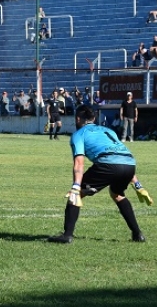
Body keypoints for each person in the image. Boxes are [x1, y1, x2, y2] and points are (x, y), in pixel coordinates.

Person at [47, 104, 151, 244]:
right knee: (117, 193)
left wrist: (76, 186)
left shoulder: (79, 134)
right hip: (130, 164)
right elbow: (121, 156)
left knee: (75, 195)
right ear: (94, 118)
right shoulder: (108, 131)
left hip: (108, 164)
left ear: (77, 119)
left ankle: (67, 235)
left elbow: (79, 163)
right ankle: (138, 234)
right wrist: (137, 184)